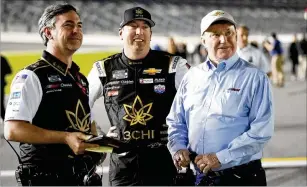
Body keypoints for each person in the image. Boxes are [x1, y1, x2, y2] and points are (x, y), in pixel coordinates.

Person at [167, 10, 273, 186]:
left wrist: (220, 157)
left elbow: (261, 132)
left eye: (229, 33)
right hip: (199, 176)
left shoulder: (255, 78)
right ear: (203, 41)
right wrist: (178, 147)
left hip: (241, 176)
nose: (224, 40)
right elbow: (176, 120)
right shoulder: (192, 76)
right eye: (216, 35)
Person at [87, 6, 190, 186]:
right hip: (122, 168)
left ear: (151, 34)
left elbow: (199, 107)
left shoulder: (174, 65)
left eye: (145, 27)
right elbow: (79, 106)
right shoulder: (102, 69)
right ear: (121, 33)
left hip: (164, 164)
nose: (139, 31)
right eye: (133, 26)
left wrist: (182, 139)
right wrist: (100, 138)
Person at [4, 3, 103, 186]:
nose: (76, 30)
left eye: (79, 25)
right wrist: (65, 138)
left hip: (79, 177)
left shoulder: (80, 79)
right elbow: (12, 130)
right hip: (46, 179)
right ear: (48, 33)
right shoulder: (31, 76)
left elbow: (86, 125)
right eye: (68, 25)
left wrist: (100, 141)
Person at [1, 55, 12, 120]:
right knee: (1, 104)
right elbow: (9, 71)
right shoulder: (2, 59)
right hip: (1, 85)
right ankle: (5, 119)